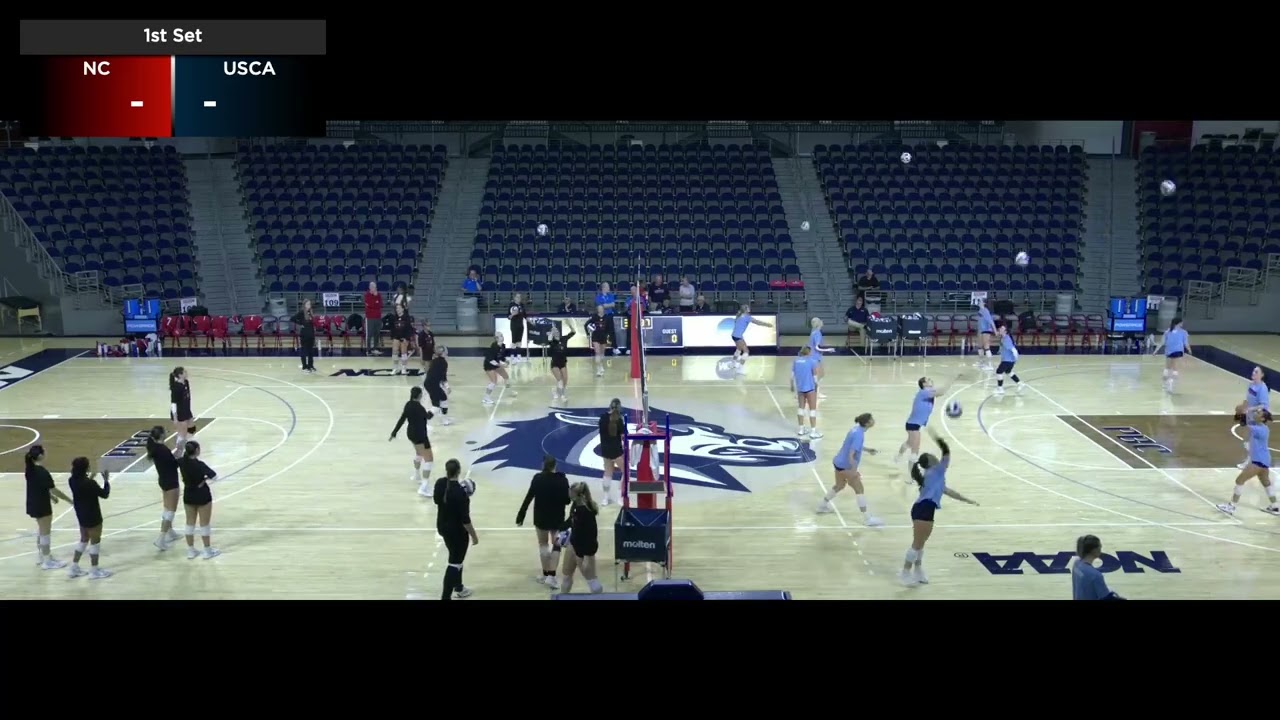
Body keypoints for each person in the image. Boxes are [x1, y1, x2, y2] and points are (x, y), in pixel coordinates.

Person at [902, 431, 978, 586]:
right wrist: (938, 439)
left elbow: (948, 491)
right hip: (924, 508)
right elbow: (946, 452)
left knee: (921, 544)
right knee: (917, 544)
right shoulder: (936, 470)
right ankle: (904, 573)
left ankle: (918, 570)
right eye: (932, 456)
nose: (936, 457)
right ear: (930, 462)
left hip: (924, 508)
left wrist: (967, 500)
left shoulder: (935, 477)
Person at [516, 456, 571, 589]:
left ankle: (546, 574)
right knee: (556, 545)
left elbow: (529, 497)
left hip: (540, 517)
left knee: (543, 544)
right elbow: (567, 501)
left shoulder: (537, 478)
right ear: (555, 466)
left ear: (543, 465)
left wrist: (521, 514)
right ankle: (552, 576)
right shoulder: (562, 480)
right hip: (557, 517)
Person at [817, 413, 883, 526]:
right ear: (867, 423)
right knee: (859, 489)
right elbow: (851, 454)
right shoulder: (859, 435)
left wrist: (867, 450)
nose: (873, 421)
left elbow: (852, 446)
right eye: (871, 419)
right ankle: (867, 519)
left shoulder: (855, 430)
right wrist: (853, 471)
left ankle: (822, 506)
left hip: (838, 462)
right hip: (846, 466)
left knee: (839, 486)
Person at [1217, 408, 1277, 516]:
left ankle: (1232, 506)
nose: (1256, 413)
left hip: (1258, 461)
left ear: (1262, 418)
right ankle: (1276, 506)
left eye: (1258, 413)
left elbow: (1246, 424)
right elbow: (1247, 422)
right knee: (1266, 482)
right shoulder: (1264, 428)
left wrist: (1241, 415)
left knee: (1239, 480)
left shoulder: (1258, 429)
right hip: (1265, 460)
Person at [434, 459, 478, 600]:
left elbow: (436, 500)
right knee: (455, 562)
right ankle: (445, 597)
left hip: (442, 527)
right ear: (458, 471)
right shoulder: (461, 494)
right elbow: (465, 520)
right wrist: (474, 536)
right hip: (457, 532)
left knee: (455, 558)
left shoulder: (440, 483)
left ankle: (459, 587)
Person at [25, 445, 72, 570]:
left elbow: (39, 487)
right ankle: (47, 562)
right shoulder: (42, 472)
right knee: (45, 532)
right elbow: (54, 489)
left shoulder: (29, 469)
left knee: (41, 530)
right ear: (40, 456)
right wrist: (69, 500)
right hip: (41, 504)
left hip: (33, 502)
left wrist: (50, 496)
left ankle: (43, 556)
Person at [67, 458, 112, 580]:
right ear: (86, 468)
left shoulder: (72, 480)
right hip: (93, 515)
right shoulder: (90, 484)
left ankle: (74, 567)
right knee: (95, 542)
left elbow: (84, 487)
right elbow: (104, 494)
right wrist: (106, 480)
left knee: (83, 539)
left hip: (81, 515)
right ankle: (94, 570)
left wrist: (91, 477)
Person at [894, 376, 953, 470]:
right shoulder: (924, 392)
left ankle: (898, 456)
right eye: (928, 380)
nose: (931, 380)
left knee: (909, 443)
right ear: (924, 384)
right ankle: (910, 475)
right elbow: (941, 392)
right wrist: (952, 379)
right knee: (915, 450)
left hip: (913, 424)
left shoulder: (928, 392)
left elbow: (940, 390)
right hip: (914, 425)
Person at [557, 481, 604, 595]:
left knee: (592, 581)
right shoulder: (575, 505)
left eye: (570, 492)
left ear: (579, 495)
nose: (568, 494)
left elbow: (592, 535)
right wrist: (560, 529)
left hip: (584, 552)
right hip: (573, 546)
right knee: (566, 577)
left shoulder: (587, 512)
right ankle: (563, 597)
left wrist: (587, 556)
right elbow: (570, 520)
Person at [179, 440, 221, 560]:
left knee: (189, 523)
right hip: (202, 495)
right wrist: (204, 479)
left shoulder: (182, 462)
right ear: (197, 450)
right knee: (204, 524)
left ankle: (191, 551)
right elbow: (215, 476)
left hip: (188, 495)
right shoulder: (200, 465)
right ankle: (207, 551)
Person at [390, 386, 435, 497]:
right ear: (420, 396)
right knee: (429, 460)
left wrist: (394, 432)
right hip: (420, 435)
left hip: (411, 434)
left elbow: (402, 419)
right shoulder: (420, 408)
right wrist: (434, 410)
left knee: (419, 453)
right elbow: (428, 417)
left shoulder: (408, 405)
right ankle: (423, 487)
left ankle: (416, 475)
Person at [147, 426, 182, 550]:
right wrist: (180, 455)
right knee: (171, 511)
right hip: (171, 481)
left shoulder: (155, 448)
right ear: (161, 435)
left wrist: (176, 455)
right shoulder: (163, 450)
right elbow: (174, 465)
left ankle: (170, 532)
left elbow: (169, 462)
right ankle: (161, 538)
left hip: (163, 480)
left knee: (167, 508)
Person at [1072, 535, 1125, 600]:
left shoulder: (1076, 564)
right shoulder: (1096, 575)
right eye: (1099, 546)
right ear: (1094, 550)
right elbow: (1106, 598)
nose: (1101, 548)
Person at [1238, 366, 1271, 470]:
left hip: (1257, 418)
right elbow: (1248, 398)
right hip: (1249, 417)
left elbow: (1263, 405)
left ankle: (1252, 462)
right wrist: (1243, 408)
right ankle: (1252, 460)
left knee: (1252, 441)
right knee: (1246, 440)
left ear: (1261, 375)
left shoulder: (1263, 388)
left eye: (1256, 372)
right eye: (1253, 371)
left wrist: (1251, 409)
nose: (1253, 373)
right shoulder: (1251, 384)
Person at [730, 303, 774, 375]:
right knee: (746, 351)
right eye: (748, 308)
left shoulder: (738, 315)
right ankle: (740, 368)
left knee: (739, 349)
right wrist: (767, 325)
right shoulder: (747, 317)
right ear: (746, 310)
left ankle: (733, 364)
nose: (750, 309)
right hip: (738, 336)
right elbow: (758, 322)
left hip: (735, 335)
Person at [598, 398, 626, 506]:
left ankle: (605, 498)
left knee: (607, 473)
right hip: (616, 450)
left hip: (605, 450)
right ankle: (621, 497)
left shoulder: (602, 418)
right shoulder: (619, 420)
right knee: (625, 472)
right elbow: (623, 436)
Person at [791, 346, 823, 438]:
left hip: (800, 389)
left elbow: (792, 375)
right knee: (812, 409)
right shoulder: (812, 362)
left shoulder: (796, 361)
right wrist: (817, 385)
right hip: (810, 388)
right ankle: (813, 432)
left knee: (801, 408)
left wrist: (792, 386)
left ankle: (801, 429)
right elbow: (815, 376)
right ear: (809, 352)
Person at [482, 333, 516, 404]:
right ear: (496, 338)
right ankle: (486, 398)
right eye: (500, 336)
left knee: (506, 376)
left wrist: (505, 360)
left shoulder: (503, 345)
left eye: (502, 335)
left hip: (496, 364)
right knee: (494, 382)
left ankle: (510, 392)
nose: (502, 337)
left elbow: (501, 356)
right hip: (489, 365)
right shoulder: (493, 347)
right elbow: (490, 359)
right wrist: (501, 365)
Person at [169, 366, 196, 453]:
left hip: (187, 410)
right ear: (180, 375)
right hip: (179, 412)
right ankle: (179, 448)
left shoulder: (186, 382)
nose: (186, 373)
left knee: (192, 428)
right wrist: (175, 418)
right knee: (182, 432)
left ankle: (184, 443)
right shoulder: (176, 387)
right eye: (185, 372)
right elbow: (173, 403)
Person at [424, 346, 452, 426]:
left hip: (429, 383)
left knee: (443, 398)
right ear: (443, 353)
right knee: (436, 406)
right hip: (433, 384)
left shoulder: (434, 361)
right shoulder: (443, 362)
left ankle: (445, 419)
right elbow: (443, 376)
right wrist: (447, 387)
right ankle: (426, 419)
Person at [1161, 317, 1191, 393]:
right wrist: (1189, 350)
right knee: (1175, 368)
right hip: (1178, 352)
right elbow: (1186, 343)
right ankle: (1170, 383)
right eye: (1182, 322)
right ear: (1179, 323)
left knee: (1167, 368)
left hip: (1169, 352)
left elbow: (1163, 342)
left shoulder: (1167, 332)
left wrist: (1155, 351)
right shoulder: (1183, 332)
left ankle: (1165, 383)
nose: (1182, 324)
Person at [547, 325, 576, 401]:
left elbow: (573, 332)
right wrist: (551, 333)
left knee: (565, 380)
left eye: (557, 331)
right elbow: (549, 340)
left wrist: (570, 325)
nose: (556, 333)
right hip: (555, 364)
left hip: (563, 363)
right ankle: (563, 395)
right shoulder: (552, 342)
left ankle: (555, 390)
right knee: (560, 380)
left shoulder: (564, 339)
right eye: (554, 332)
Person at [994, 324, 1023, 396]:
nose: (1000, 329)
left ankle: (1000, 389)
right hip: (1008, 360)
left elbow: (1014, 350)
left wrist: (1016, 359)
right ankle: (1020, 383)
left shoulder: (1006, 339)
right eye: (1000, 328)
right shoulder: (1003, 338)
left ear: (1005, 331)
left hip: (1007, 360)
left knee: (999, 372)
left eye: (1002, 329)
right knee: (1008, 372)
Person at [388, 304, 415, 376]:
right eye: (397, 308)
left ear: (403, 309)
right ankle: (395, 368)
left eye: (399, 308)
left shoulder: (407, 318)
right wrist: (393, 337)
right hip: (396, 337)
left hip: (404, 337)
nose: (398, 309)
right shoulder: (394, 317)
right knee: (394, 352)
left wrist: (406, 338)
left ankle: (404, 369)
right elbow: (392, 328)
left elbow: (409, 329)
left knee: (403, 353)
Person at [293, 298, 317, 373]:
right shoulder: (301, 312)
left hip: (311, 334)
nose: (309, 305)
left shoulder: (310, 312)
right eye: (307, 304)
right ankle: (304, 367)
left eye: (310, 304)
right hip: (304, 334)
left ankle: (310, 365)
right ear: (304, 305)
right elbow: (292, 318)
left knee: (311, 351)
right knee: (304, 350)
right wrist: (301, 324)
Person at [586, 305, 611, 377]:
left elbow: (609, 328)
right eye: (599, 309)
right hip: (595, 337)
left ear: (603, 309)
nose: (600, 310)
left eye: (601, 308)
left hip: (603, 337)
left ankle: (601, 365)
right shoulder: (594, 317)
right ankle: (598, 369)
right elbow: (586, 324)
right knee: (597, 352)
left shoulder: (607, 317)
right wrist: (588, 333)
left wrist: (609, 337)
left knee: (602, 353)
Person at [974, 299, 996, 369]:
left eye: (980, 301)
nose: (979, 302)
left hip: (986, 330)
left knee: (986, 347)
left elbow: (991, 321)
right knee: (980, 346)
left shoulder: (986, 311)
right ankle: (981, 363)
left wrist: (995, 331)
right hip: (980, 330)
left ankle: (990, 365)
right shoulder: (980, 311)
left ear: (984, 303)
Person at [363, 281, 383, 356]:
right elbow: (370, 305)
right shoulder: (367, 295)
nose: (374, 288)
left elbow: (380, 305)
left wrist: (376, 300)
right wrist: (375, 300)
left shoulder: (379, 295)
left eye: (375, 287)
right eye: (373, 287)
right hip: (370, 317)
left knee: (377, 333)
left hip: (378, 317)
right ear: (370, 287)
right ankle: (368, 350)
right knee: (369, 334)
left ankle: (375, 348)